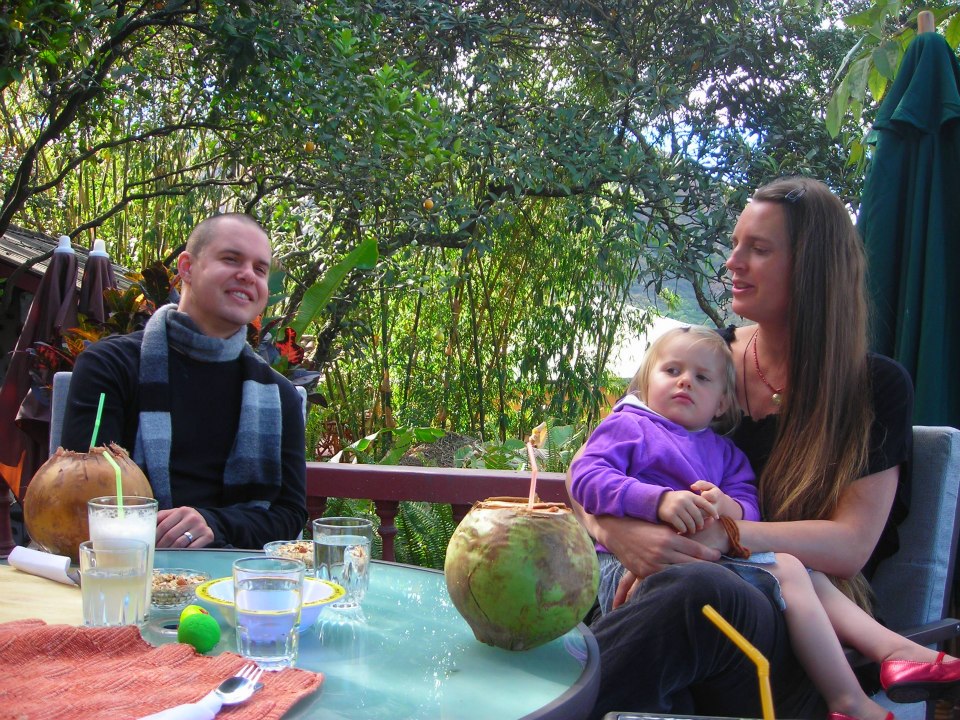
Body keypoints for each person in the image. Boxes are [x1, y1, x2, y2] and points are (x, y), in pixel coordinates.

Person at [567, 177, 960, 720]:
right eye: (735, 244)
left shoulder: (874, 387)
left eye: (758, 248)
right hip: (680, 608)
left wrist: (720, 534)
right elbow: (597, 466)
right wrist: (619, 532)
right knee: (686, 595)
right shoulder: (703, 364)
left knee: (699, 589)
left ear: (811, 268)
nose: (732, 262)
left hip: (806, 645)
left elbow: (849, 546)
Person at [60, 213, 308, 550]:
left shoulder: (279, 396)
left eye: (260, 269)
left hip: (237, 583)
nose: (248, 275)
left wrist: (213, 523)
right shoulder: (111, 366)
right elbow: (84, 492)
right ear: (187, 267)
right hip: (126, 568)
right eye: (231, 259)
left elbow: (289, 513)